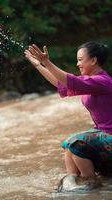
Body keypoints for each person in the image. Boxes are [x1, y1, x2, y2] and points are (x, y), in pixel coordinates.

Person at [24, 41, 112, 188]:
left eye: (79, 59)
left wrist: (47, 62)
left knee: (76, 142)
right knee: (68, 145)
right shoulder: (90, 81)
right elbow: (62, 84)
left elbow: (71, 82)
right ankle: (72, 179)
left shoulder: (103, 81)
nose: (77, 64)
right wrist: (39, 65)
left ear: (93, 60)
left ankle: (90, 182)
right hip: (104, 134)